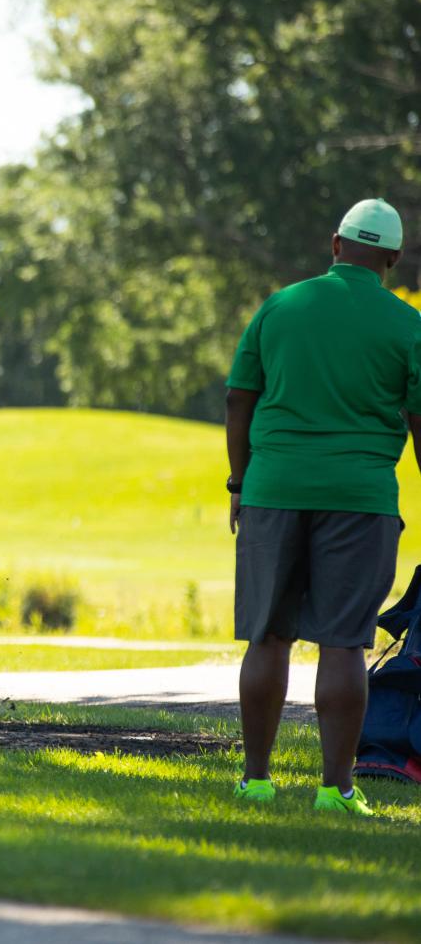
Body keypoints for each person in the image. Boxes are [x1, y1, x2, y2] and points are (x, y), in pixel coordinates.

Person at [226, 197, 421, 816]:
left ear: (336, 245)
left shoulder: (280, 306)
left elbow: (239, 399)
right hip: (359, 500)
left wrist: (239, 483)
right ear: (390, 259)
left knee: (267, 638)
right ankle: (335, 790)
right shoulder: (407, 325)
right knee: (343, 645)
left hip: (273, 490)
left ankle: (257, 779)